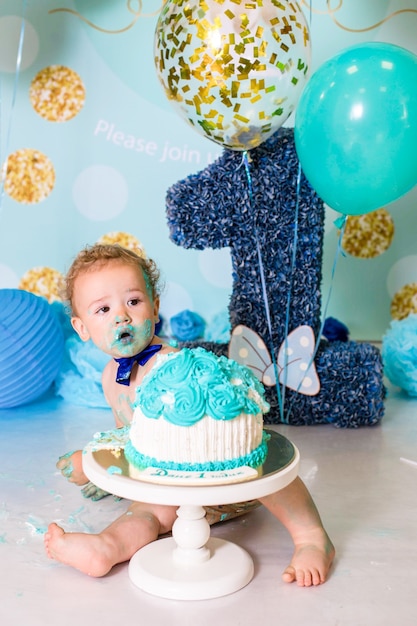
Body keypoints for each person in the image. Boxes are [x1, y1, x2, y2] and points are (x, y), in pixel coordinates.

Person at [44, 243, 335, 587]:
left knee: (266, 464)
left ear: (155, 306)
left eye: (133, 302)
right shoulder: (111, 377)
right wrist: (101, 470)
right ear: (81, 328)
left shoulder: (171, 366)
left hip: (228, 479)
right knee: (147, 511)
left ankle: (312, 538)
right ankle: (107, 547)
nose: (121, 316)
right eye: (103, 309)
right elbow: (130, 436)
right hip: (174, 491)